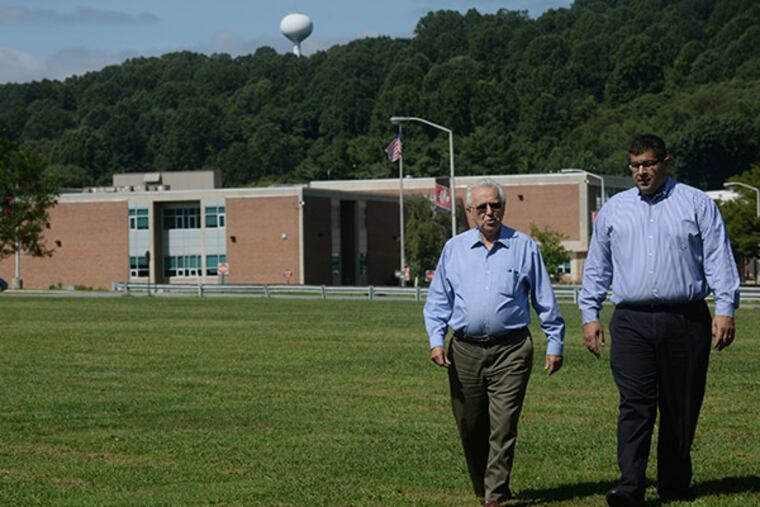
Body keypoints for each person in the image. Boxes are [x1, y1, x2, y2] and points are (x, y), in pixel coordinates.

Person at [579, 134, 740, 507]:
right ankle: (629, 484)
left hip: (685, 319)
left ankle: (675, 482)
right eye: (634, 165)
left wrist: (725, 309)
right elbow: (598, 267)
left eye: (648, 164)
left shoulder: (695, 203)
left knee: (680, 405)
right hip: (631, 321)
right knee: (635, 403)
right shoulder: (614, 210)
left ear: (666, 162)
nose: (641, 172)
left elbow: (718, 257)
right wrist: (590, 315)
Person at [424, 178, 565, 507]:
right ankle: (483, 485)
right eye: (482, 207)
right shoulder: (454, 249)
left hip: (512, 350)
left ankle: (495, 495)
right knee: (470, 424)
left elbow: (545, 300)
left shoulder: (524, 246)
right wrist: (436, 340)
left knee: (503, 425)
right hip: (465, 351)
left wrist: (554, 343)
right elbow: (438, 303)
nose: (490, 212)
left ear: (503, 207)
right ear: (470, 212)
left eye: (496, 205)